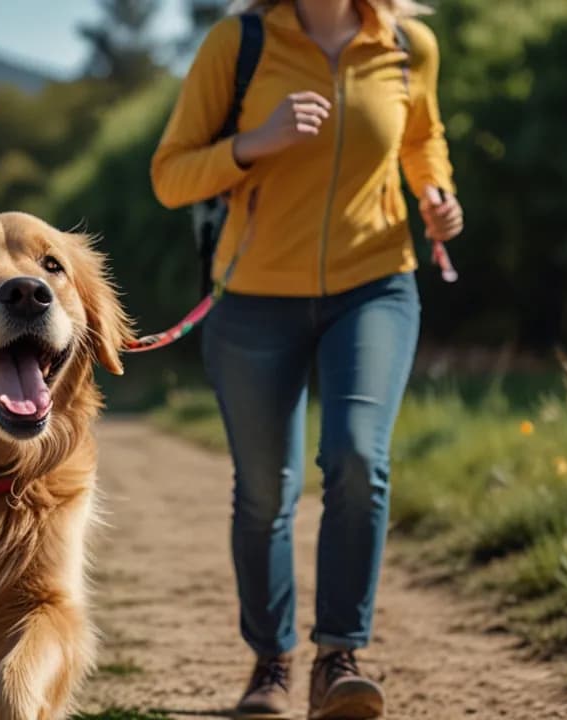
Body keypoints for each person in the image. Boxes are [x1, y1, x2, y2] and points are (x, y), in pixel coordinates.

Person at [150, 0, 464, 717]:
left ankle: (339, 657)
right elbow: (170, 176)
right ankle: (270, 666)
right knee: (266, 491)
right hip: (254, 298)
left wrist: (436, 195)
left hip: (376, 285)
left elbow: (422, 139)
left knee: (357, 456)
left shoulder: (410, 44)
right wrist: (255, 140)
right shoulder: (240, 43)